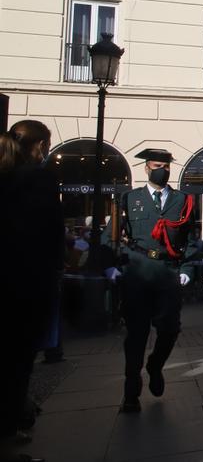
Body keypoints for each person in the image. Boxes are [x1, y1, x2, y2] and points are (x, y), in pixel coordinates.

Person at [101, 148, 200, 415]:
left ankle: (155, 365)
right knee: (136, 334)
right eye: (157, 166)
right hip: (138, 270)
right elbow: (107, 236)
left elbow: (192, 240)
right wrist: (111, 265)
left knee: (170, 329)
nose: (162, 170)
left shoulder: (183, 201)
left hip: (168, 270)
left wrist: (187, 267)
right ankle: (130, 393)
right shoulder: (129, 199)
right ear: (146, 168)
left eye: (166, 166)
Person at [1, 121, 62, 462]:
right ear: (39, 145)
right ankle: (8, 439)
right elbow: (49, 232)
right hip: (23, 284)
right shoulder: (36, 179)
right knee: (16, 365)